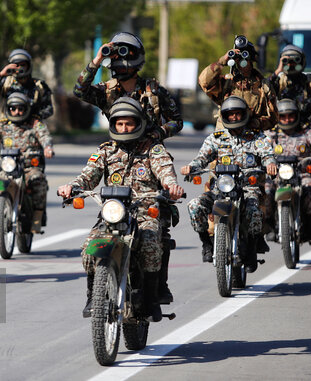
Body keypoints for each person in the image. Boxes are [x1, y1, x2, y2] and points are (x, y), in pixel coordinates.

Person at [73, 31, 184, 303]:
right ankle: (95, 295)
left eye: (127, 53)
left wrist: (156, 135)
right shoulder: (107, 90)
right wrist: (98, 59)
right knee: (93, 241)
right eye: (116, 53)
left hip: (150, 158)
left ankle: (156, 287)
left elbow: (176, 121)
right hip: (118, 158)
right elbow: (80, 90)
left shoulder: (153, 90)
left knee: (157, 231)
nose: (121, 61)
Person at [58, 97, 184, 322]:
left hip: (145, 210)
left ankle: (151, 299)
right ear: (113, 125)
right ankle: (92, 296)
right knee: (89, 248)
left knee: (150, 242)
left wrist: (170, 185)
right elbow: (88, 176)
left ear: (138, 124)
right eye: (119, 124)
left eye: (129, 124)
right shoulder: (105, 151)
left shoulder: (152, 150)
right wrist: (72, 187)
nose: (124, 128)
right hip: (113, 212)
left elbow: (165, 171)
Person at [181, 96, 277, 271]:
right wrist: (190, 167)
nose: (234, 117)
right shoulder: (216, 138)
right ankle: (207, 243)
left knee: (255, 212)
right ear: (224, 116)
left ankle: (251, 250)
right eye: (230, 114)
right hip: (220, 188)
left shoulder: (256, 137)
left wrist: (270, 163)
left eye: (237, 114)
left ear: (244, 115)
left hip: (247, 188)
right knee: (194, 206)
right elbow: (201, 158)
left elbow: (267, 154)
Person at [0, 92, 54, 235]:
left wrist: (48, 147)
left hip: (30, 167)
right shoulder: (3, 126)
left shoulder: (35, 124)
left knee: (38, 180)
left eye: (20, 108)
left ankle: (37, 217)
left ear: (26, 109)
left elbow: (44, 136)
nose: (17, 112)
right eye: (13, 108)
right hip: (7, 168)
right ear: (8, 109)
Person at [264, 99, 311, 245]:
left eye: (291, 116)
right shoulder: (270, 133)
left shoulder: (305, 132)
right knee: (266, 191)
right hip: (276, 175)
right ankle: (268, 226)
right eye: (283, 116)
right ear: (277, 117)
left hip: (301, 174)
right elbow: (259, 147)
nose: (287, 120)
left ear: (296, 116)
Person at [199, 35, 278, 131]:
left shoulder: (263, 86)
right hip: (226, 135)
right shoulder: (226, 83)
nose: (242, 63)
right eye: (239, 59)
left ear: (251, 60)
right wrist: (222, 62)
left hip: (251, 137)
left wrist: (256, 123)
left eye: (245, 58)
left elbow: (274, 118)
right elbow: (204, 82)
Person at [0, 49, 53, 121]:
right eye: (16, 65)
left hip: (31, 126)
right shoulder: (6, 83)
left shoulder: (39, 86)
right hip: (9, 126)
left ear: (28, 66)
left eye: (23, 65)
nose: (19, 68)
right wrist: (1, 74)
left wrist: (36, 117)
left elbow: (49, 109)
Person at [269, 44, 311, 129]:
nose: (291, 65)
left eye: (295, 60)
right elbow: (264, 90)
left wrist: (307, 122)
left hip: (304, 130)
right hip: (282, 129)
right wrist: (278, 71)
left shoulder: (309, 81)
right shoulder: (279, 81)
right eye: (287, 61)